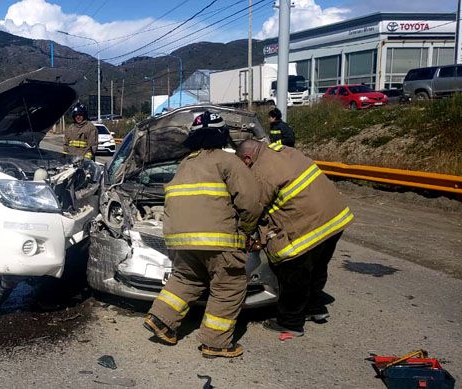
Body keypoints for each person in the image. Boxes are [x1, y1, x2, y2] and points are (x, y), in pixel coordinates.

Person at [143, 111, 263, 359]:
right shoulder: (229, 162)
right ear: (222, 136)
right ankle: (215, 343)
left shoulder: (185, 164)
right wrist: (247, 230)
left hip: (180, 241)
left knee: (185, 279)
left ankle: (161, 320)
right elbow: (250, 202)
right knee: (228, 286)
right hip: (218, 241)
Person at [235, 140, 354, 337]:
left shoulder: (261, 173)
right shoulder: (285, 151)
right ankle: (315, 308)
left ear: (247, 158)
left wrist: (244, 230)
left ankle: (291, 322)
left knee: (292, 274)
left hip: (307, 226)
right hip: (335, 219)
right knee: (316, 268)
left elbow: (254, 208)